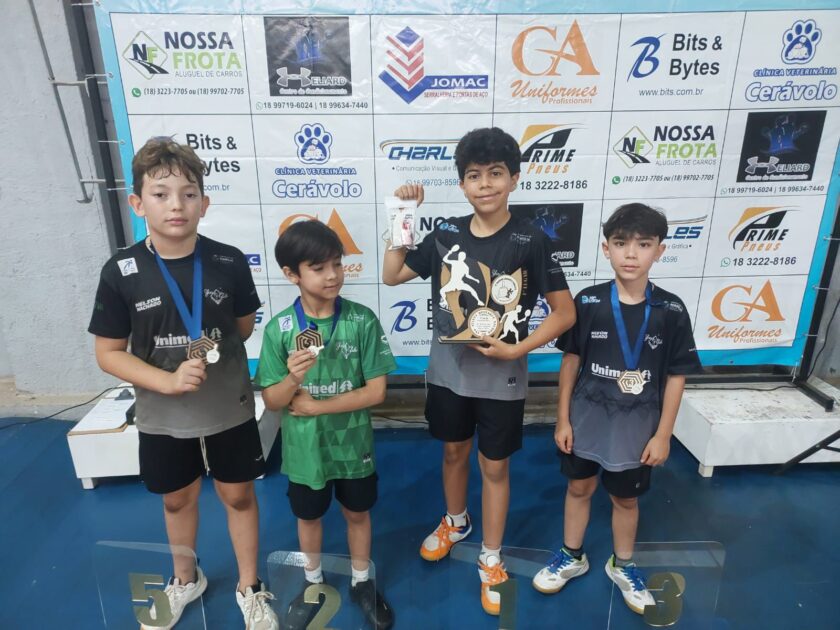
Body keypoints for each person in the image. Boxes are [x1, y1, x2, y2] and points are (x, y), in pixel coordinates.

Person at [382, 127, 576, 616]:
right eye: (474, 175)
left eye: (495, 173)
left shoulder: (530, 239)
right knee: (453, 452)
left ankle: (491, 556)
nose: (484, 184)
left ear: (514, 178)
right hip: (448, 371)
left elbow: (564, 313)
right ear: (462, 183)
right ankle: (456, 520)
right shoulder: (446, 235)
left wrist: (518, 350)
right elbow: (392, 274)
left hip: (501, 377)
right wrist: (403, 216)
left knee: (494, 466)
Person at [89, 138, 278, 629]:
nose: (176, 205)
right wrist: (167, 381)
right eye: (161, 194)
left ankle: (250, 585)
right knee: (177, 498)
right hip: (162, 412)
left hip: (228, 405)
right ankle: (185, 577)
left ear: (204, 203)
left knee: (238, 495)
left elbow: (242, 328)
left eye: (189, 194)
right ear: (138, 203)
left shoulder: (229, 261)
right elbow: (108, 353)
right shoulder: (121, 271)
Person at [531, 203, 702, 615]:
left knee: (626, 500)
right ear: (606, 248)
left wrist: (663, 435)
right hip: (585, 423)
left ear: (659, 250)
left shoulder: (671, 310)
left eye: (643, 244)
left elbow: (676, 376)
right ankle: (572, 555)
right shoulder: (588, 301)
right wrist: (562, 419)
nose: (631, 254)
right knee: (578, 488)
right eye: (621, 243)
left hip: (636, 432)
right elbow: (570, 361)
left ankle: (622, 564)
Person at [257, 221, 396, 630]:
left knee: (358, 513)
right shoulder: (280, 329)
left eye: (337, 263)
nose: (333, 275)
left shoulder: (361, 320)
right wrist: (292, 379)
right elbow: (273, 400)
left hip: (354, 446)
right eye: (318, 268)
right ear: (292, 274)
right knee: (309, 517)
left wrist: (318, 407)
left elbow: (376, 392)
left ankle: (361, 582)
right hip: (305, 451)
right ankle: (313, 582)